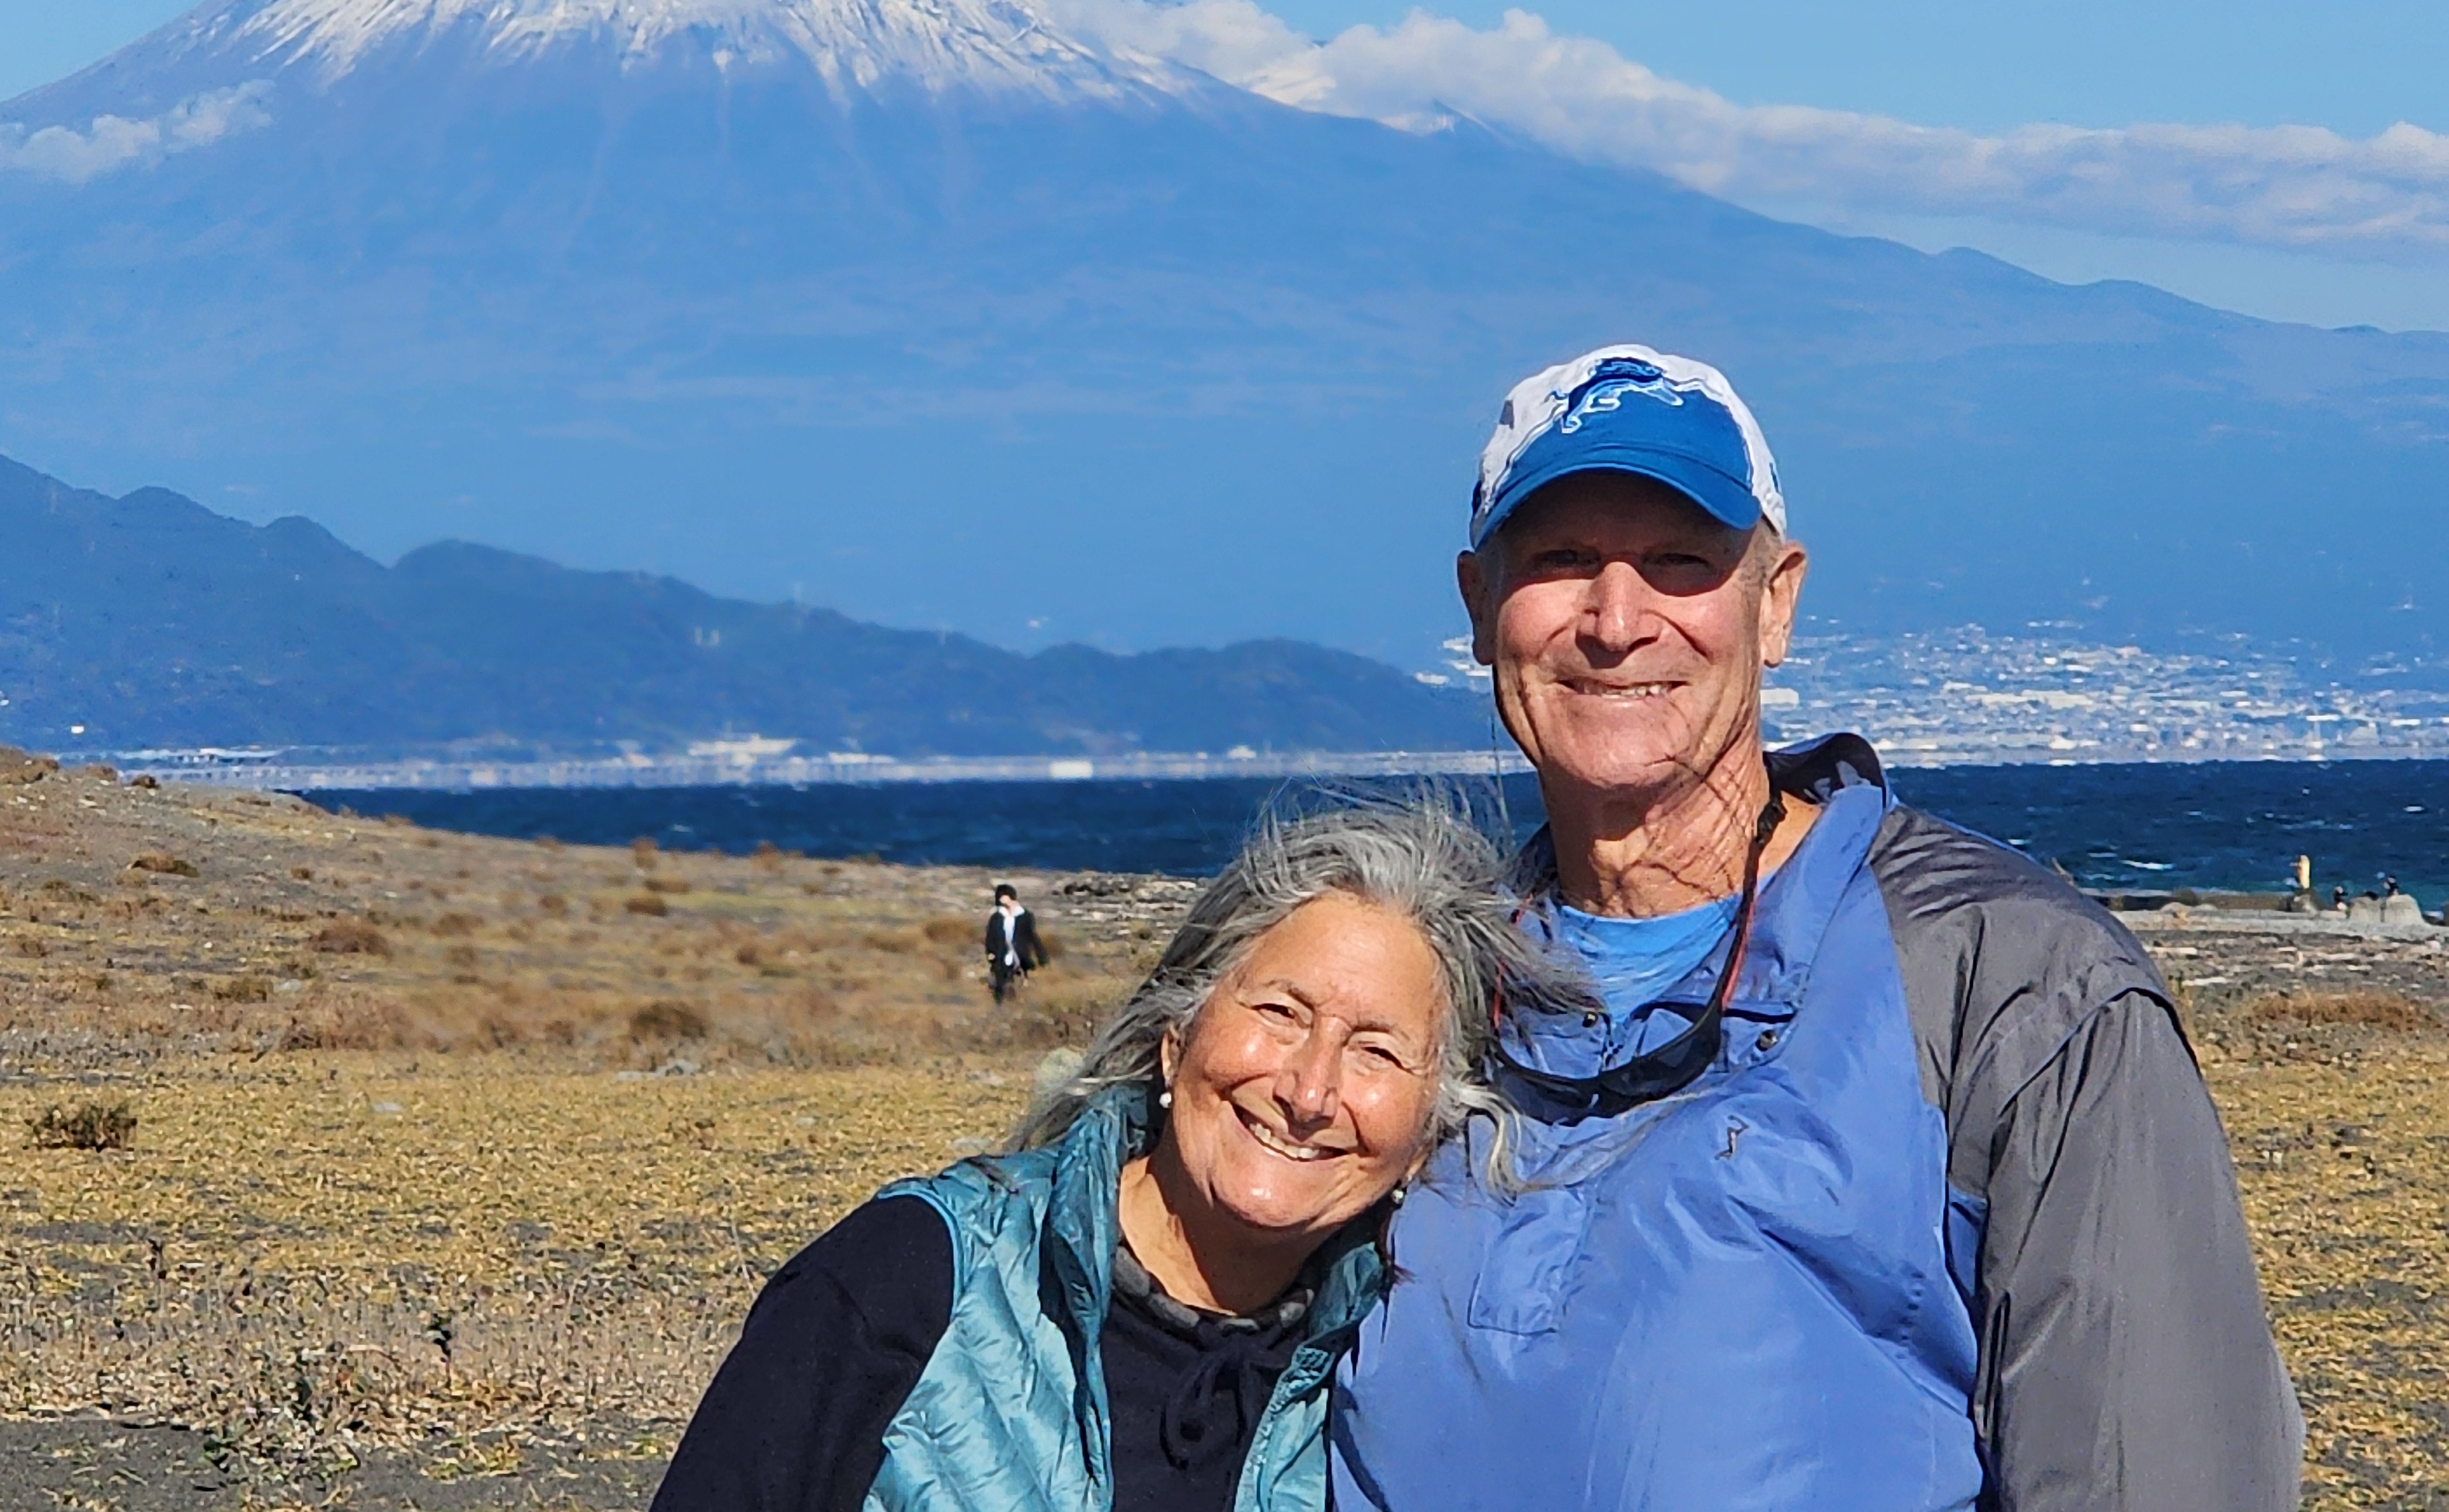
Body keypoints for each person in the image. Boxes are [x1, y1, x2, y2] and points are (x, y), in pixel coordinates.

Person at [1333, 343, 2303, 1512]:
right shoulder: (1411, 979)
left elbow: (2157, 1473)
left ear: (1776, 599)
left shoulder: (2010, 983)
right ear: (1480, 608)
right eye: (1562, 560)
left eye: (1680, 562)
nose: (1617, 618)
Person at [651, 802, 1582, 1512]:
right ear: (1176, 1039)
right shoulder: (917, 1278)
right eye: (1279, 1013)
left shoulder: (1395, 1375)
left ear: (1430, 1134)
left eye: (1377, 1050)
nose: (1309, 1090)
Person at [984, 881, 1047, 1001]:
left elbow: (1032, 936)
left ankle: (1016, 1006)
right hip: (1001, 955)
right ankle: (1001, 1008)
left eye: (1003, 895)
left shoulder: (1025, 916)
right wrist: (990, 952)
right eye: (999, 896)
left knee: (1019, 984)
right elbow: (990, 935)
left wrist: (1042, 956)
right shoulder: (996, 917)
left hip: (1020, 955)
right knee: (1000, 985)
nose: (1001, 899)